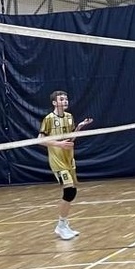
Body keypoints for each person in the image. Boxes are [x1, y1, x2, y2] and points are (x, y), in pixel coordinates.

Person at [40, 90, 93, 241]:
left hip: (69, 159)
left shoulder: (69, 117)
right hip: (57, 161)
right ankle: (61, 226)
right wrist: (59, 144)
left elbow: (70, 139)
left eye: (66, 99)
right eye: (61, 99)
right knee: (69, 191)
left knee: (72, 191)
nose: (65, 101)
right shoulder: (49, 119)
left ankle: (64, 224)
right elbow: (40, 140)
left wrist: (79, 127)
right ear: (54, 103)